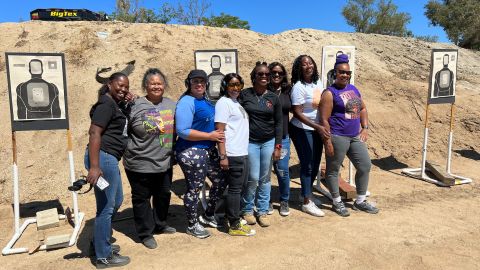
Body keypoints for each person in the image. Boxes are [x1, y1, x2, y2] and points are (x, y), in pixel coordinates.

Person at [319, 53, 379, 217]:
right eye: (341, 72)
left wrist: (365, 127)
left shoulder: (354, 89)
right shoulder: (329, 93)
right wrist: (328, 142)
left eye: (347, 73)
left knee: (365, 166)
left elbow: (363, 109)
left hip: (355, 136)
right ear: (335, 73)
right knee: (333, 170)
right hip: (337, 136)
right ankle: (337, 201)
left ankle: (360, 201)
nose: (344, 75)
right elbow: (323, 120)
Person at [123, 68, 176, 249]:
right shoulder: (134, 105)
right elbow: (122, 129)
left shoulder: (172, 105)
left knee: (163, 195)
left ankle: (160, 224)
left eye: (159, 83)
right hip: (139, 162)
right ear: (146, 86)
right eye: (152, 83)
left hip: (164, 162)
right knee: (142, 198)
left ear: (164, 85)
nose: (156, 86)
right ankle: (145, 233)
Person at [85, 72, 131, 268]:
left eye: (126, 86)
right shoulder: (105, 103)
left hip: (109, 158)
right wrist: (95, 167)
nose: (123, 89)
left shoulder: (113, 104)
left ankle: (98, 242)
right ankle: (103, 256)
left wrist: (127, 101)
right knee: (106, 207)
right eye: (119, 85)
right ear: (109, 84)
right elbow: (94, 132)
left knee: (116, 200)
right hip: (103, 158)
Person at [175, 69, 227, 239]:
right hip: (192, 151)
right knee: (194, 189)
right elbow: (182, 130)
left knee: (220, 182)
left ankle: (208, 214)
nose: (199, 84)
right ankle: (192, 224)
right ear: (188, 83)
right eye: (195, 81)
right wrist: (209, 136)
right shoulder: (187, 101)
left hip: (208, 150)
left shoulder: (204, 100)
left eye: (202, 81)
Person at [239, 62, 282, 227]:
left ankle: (262, 211)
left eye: (266, 74)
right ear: (253, 77)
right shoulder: (245, 95)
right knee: (253, 177)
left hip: (269, 141)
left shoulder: (273, 98)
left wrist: (278, 146)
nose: (264, 77)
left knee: (265, 178)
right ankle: (248, 209)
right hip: (250, 142)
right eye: (260, 74)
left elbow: (279, 123)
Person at [215, 73, 255, 236]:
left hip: (242, 152)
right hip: (232, 153)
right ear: (225, 86)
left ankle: (233, 217)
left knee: (239, 188)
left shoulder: (235, 102)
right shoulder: (224, 103)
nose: (235, 88)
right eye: (231, 85)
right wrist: (223, 155)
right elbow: (220, 131)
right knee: (235, 190)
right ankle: (234, 225)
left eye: (238, 84)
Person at [289, 55, 329, 217]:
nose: (308, 66)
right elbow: (297, 113)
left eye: (310, 63)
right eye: (304, 64)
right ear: (299, 68)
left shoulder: (318, 83)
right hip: (302, 129)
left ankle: (305, 193)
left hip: (317, 128)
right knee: (307, 164)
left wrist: (322, 126)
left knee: (316, 163)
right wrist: (317, 126)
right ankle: (306, 202)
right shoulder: (298, 87)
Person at [268, 62, 292, 217]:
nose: (276, 75)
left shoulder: (288, 91)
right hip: (265, 137)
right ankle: (266, 200)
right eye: (273, 72)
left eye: (280, 73)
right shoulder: (262, 90)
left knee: (282, 171)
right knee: (264, 172)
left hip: (283, 137)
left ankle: (284, 200)